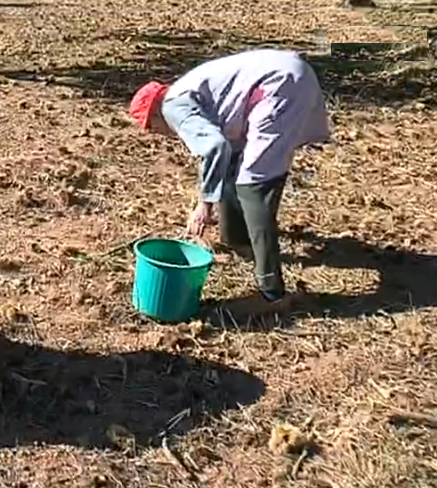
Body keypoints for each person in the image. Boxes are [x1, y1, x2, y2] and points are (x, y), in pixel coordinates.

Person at [129, 49, 331, 316]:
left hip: (278, 86)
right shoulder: (188, 90)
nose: (161, 135)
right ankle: (239, 240)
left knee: (254, 184)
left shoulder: (171, 107)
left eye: (153, 129)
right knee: (240, 168)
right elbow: (228, 153)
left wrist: (205, 205)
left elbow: (214, 147)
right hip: (290, 72)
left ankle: (270, 293)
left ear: (156, 114)